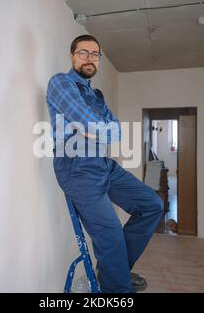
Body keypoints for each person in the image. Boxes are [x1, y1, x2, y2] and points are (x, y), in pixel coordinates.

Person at [46, 35, 164, 293]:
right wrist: (98, 129)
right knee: (110, 234)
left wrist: (97, 130)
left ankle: (114, 271)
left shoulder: (96, 94)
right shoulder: (60, 83)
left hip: (102, 162)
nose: (90, 58)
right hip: (76, 166)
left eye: (95, 54)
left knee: (152, 206)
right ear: (72, 56)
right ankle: (118, 290)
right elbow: (90, 123)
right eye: (83, 53)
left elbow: (117, 132)